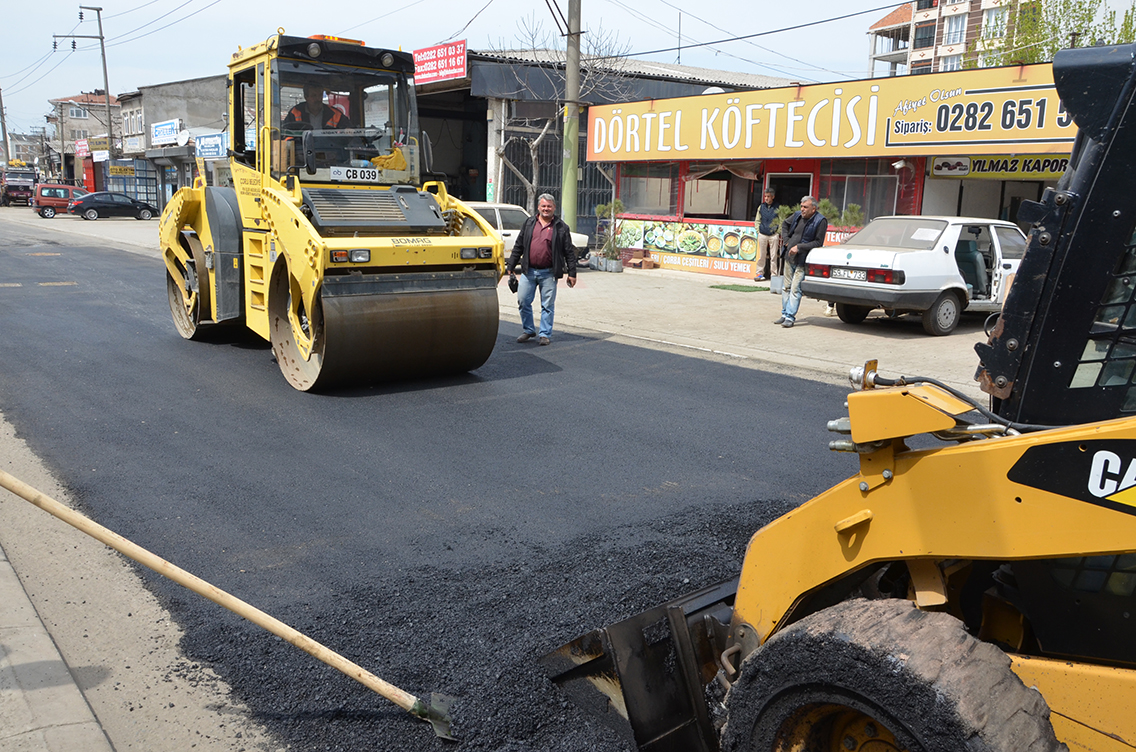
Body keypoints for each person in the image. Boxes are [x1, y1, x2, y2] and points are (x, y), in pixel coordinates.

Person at [507, 194, 577, 345]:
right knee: (523, 301)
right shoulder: (529, 223)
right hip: (528, 271)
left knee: (547, 305)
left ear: (554, 208)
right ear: (538, 207)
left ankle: (544, 334)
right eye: (543, 206)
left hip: (549, 273)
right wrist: (510, 266)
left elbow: (569, 252)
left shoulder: (561, 227)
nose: (546, 209)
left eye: (549, 206)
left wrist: (572, 273)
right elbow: (519, 245)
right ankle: (529, 330)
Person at [774, 196, 828, 329]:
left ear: (813, 209)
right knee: (785, 287)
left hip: (803, 260)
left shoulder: (820, 221)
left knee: (795, 289)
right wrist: (787, 240)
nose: (802, 209)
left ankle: (790, 317)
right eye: (801, 206)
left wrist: (799, 247)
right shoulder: (797, 215)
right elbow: (785, 224)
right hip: (789, 257)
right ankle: (785, 313)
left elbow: (818, 242)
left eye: (805, 207)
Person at [282, 83, 353, 130]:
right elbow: (285, 133)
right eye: (314, 96)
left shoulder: (335, 114)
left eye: (320, 95)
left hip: (329, 150)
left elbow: (350, 130)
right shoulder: (295, 112)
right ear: (306, 97)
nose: (318, 99)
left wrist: (348, 131)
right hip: (301, 151)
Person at [754, 188, 780, 281]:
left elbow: (781, 221)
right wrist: (758, 231)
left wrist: (778, 232)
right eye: (765, 196)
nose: (766, 198)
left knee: (773, 256)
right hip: (763, 234)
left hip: (773, 235)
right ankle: (759, 273)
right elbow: (757, 220)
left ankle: (773, 274)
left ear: (773, 197)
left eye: (768, 196)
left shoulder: (778, 207)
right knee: (762, 255)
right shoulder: (761, 207)